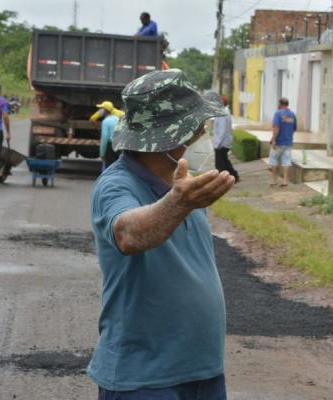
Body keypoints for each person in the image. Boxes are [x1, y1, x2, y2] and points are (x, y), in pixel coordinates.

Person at [88, 69, 234, 399]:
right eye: (197, 129)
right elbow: (129, 234)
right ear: (170, 137)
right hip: (144, 380)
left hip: (202, 372)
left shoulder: (183, 184)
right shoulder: (116, 185)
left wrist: (180, 199)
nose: (203, 136)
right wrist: (177, 204)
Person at [269, 98, 296, 187]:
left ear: (280, 104)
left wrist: (273, 140)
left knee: (274, 160)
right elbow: (294, 128)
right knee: (286, 161)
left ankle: (274, 180)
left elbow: (276, 127)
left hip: (279, 142)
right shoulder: (292, 115)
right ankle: (285, 181)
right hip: (288, 142)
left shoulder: (278, 113)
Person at [90, 101, 124, 170]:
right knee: (117, 168)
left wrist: (102, 154)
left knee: (108, 168)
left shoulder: (106, 121)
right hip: (119, 145)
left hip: (110, 146)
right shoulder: (118, 118)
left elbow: (104, 139)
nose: (100, 111)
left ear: (105, 111)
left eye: (101, 109)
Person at [212, 95, 239, 182]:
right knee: (224, 161)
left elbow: (222, 130)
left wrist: (217, 143)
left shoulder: (223, 112)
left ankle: (224, 179)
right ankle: (234, 176)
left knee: (220, 163)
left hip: (222, 142)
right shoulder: (224, 111)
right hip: (223, 141)